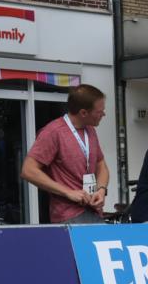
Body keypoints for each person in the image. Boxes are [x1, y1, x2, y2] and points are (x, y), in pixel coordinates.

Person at [22, 84, 110, 224]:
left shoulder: (90, 131)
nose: (103, 114)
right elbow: (28, 170)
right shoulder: (53, 132)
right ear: (83, 113)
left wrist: (101, 190)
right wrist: (68, 192)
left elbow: (101, 165)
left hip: (94, 211)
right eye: (99, 111)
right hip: (69, 216)